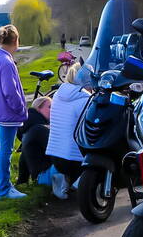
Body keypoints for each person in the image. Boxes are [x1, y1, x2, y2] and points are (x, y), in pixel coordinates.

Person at [0, 24, 28, 199]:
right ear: (16, 40)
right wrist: (20, 108)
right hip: (7, 113)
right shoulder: (6, 62)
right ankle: (3, 188)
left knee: (2, 148)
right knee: (6, 150)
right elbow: (10, 91)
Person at [46, 62, 90, 193]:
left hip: (55, 156)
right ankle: (80, 181)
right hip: (75, 159)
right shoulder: (86, 98)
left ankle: (64, 180)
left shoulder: (57, 96)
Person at [15, 96, 51, 185]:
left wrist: (22, 180)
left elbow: (23, 158)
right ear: (39, 108)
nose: (53, 110)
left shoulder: (29, 128)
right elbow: (55, 152)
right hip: (46, 176)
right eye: (49, 107)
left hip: (39, 178)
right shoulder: (39, 128)